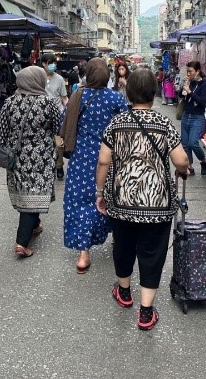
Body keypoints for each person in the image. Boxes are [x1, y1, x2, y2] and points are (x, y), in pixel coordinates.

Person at [96, 68, 189, 331]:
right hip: (157, 203)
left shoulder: (116, 123)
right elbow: (181, 160)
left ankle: (124, 293)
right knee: (152, 253)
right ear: (153, 93)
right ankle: (146, 312)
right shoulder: (163, 123)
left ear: (128, 92)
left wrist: (100, 193)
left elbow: (103, 160)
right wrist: (182, 170)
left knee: (123, 246)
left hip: (121, 200)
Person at [60, 58, 128, 273]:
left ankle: (83, 255)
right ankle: (117, 239)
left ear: (88, 74)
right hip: (110, 157)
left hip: (81, 158)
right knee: (112, 199)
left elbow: (64, 123)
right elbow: (125, 127)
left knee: (81, 203)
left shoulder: (78, 96)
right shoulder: (116, 98)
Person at [0, 66, 62, 257]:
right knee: (36, 191)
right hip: (42, 157)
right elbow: (59, 127)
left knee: (26, 193)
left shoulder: (10, 102)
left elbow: (1, 132)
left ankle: (35, 224)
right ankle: (21, 243)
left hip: (17, 156)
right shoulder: (48, 103)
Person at [180, 61, 206, 176]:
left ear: (197, 71)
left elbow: (202, 102)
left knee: (193, 143)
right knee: (185, 144)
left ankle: (204, 160)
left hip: (197, 117)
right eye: (187, 71)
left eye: (190, 71)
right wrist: (184, 86)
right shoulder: (190, 82)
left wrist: (190, 92)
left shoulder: (205, 85)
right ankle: (190, 167)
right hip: (186, 115)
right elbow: (181, 96)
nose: (188, 74)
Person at [41, 53, 68, 180]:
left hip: (57, 116)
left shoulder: (59, 79)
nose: (53, 65)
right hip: (41, 115)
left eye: (54, 63)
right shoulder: (38, 78)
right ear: (43, 64)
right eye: (50, 63)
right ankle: (46, 167)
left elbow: (64, 98)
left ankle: (59, 166)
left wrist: (68, 111)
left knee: (59, 144)